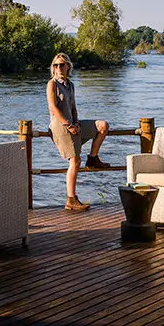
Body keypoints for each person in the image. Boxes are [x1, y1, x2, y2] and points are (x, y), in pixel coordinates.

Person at [47, 52, 111, 211]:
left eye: (62, 64)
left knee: (102, 126)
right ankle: (71, 199)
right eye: (56, 65)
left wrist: (76, 123)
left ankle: (93, 158)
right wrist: (68, 125)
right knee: (75, 161)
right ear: (53, 68)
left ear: (68, 66)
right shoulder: (52, 84)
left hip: (73, 125)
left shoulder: (70, 84)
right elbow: (53, 108)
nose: (59, 68)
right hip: (60, 126)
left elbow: (74, 108)